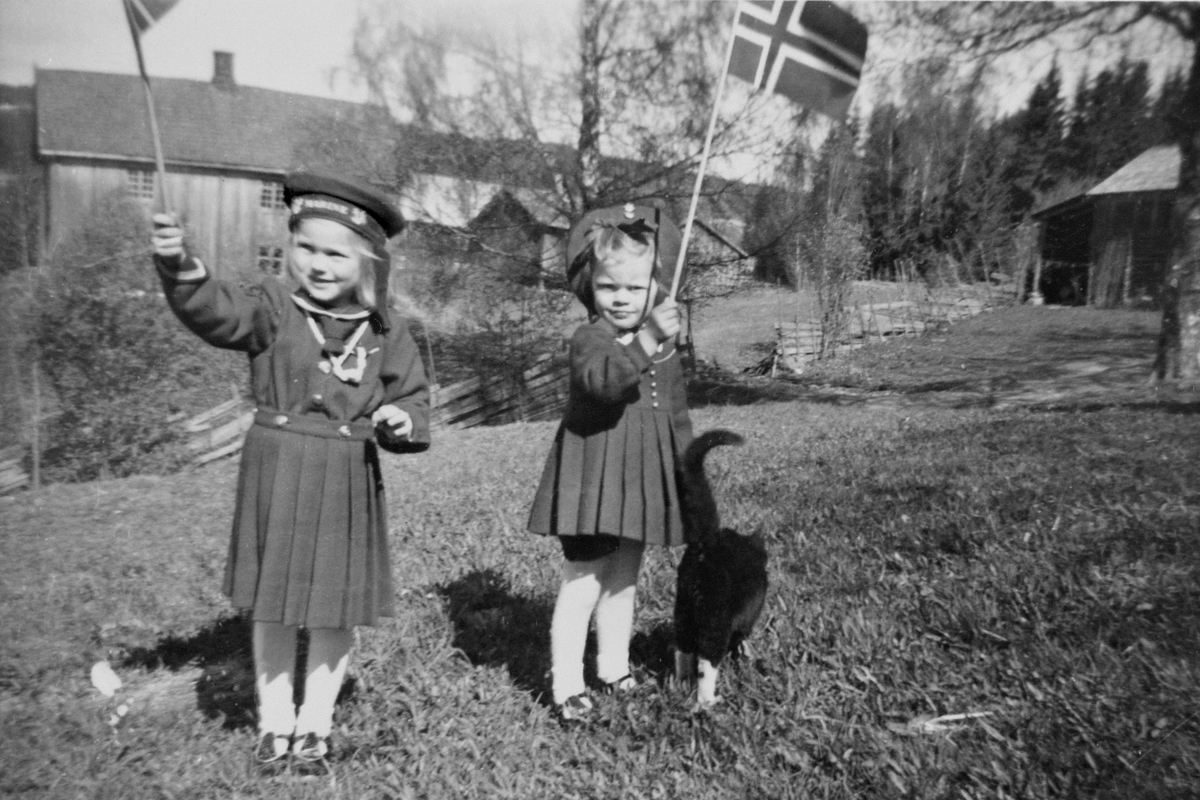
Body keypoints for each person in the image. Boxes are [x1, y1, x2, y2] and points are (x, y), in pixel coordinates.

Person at [151, 171, 430, 775]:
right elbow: (216, 311)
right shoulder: (273, 306)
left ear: (368, 261)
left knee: (332, 609)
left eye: (337, 253)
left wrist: (401, 423)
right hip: (276, 469)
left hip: (344, 476)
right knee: (274, 606)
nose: (319, 264)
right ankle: (276, 724)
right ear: (291, 246)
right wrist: (180, 264)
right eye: (307, 247)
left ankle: (315, 727)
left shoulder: (388, 331)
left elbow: (413, 399)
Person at [528, 202, 693, 720]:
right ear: (589, 289)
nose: (621, 299)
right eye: (608, 288)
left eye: (635, 287)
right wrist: (647, 339)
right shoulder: (591, 339)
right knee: (583, 581)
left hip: (640, 478)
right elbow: (606, 381)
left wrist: (685, 472)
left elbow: (676, 414)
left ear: (657, 287)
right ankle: (567, 683)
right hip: (592, 477)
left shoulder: (663, 347)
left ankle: (614, 668)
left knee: (624, 578)